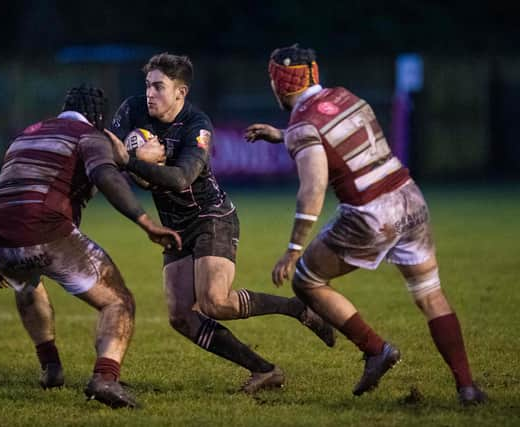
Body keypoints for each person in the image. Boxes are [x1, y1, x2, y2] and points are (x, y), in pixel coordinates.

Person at [244, 44, 486, 406]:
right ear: (314, 72)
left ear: (279, 84)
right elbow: (330, 131)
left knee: (306, 279)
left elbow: (312, 189)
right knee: (431, 295)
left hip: (371, 214)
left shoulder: (302, 124)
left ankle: (377, 350)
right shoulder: (346, 96)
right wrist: (282, 135)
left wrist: (293, 250)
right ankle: (467, 387)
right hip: (410, 199)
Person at [105, 52, 335, 394]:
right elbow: (109, 147)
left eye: (158, 87)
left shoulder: (197, 125)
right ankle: (265, 370)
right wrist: (132, 158)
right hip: (174, 226)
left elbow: (182, 176)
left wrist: (133, 162)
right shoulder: (132, 109)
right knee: (181, 317)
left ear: (181, 92)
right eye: (147, 86)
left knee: (215, 302)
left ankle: (297, 309)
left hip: (211, 217)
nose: (149, 93)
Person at [0, 85, 181, 409]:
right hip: (43, 230)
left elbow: (11, 186)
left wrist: (6, 250)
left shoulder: (27, 134)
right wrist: (146, 222)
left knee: (28, 284)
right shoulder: (88, 134)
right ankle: (105, 377)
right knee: (118, 301)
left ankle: (51, 368)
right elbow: (106, 177)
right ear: (98, 117)